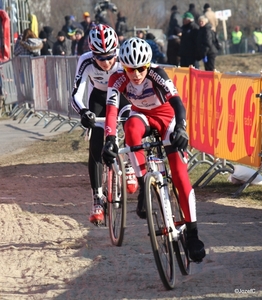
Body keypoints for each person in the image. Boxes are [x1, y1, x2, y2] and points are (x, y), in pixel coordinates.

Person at [102, 37, 206, 263]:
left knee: (179, 174)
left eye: (141, 68)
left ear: (148, 65)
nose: (137, 74)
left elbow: (178, 102)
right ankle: (143, 187)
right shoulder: (117, 78)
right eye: (131, 69)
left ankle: (193, 233)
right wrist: (109, 139)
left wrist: (181, 128)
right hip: (143, 117)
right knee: (130, 127)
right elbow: (111, 111)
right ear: (123, 65)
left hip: (167, 119)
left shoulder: (157, 73)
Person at [71, 24, 130, 225]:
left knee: (131, 122)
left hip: (121, 95)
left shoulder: (124, 58)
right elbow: (76, 94)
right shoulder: (85, 60)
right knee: (95, 143)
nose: (106, 62)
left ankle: (130, 164)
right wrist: (83, 112)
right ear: (92, 54)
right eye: (100, 58)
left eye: (110, 56)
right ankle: (97, 198)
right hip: (97, 98)